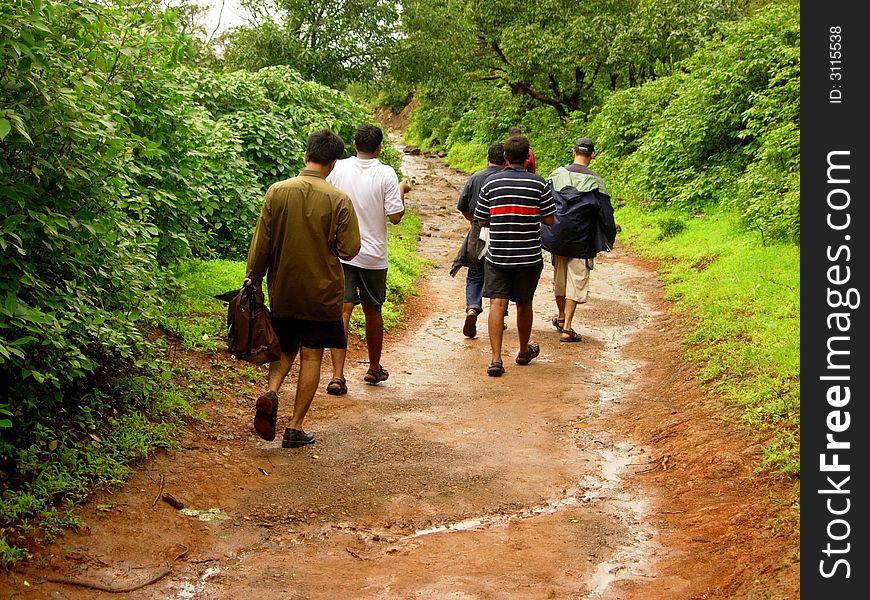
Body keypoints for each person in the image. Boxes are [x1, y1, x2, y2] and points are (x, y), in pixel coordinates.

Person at [246, 129, 361, 448]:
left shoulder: (277, 191)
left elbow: (261, 244)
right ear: (333, 163)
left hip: (283, 287)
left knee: (284, 348)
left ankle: (271, 392)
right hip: (322, 294)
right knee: (312, 356)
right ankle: (295, 427)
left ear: (306, 154)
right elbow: (350, 249)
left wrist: (253, 278)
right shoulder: (338, 199)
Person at [326, 123, 410, 395]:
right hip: (372, 255)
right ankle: (374, 367)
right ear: (379, 147)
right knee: (373, 310)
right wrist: (401, 191)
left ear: (354, 145)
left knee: (343, 309)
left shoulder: (337, 168)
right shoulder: (385, 173)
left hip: (340, 251)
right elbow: (395, 217)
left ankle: (337, 375)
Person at [474, 134, 556, 376]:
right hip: (529, 256)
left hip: (498, 254)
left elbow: (481, 219)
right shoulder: (539, 184)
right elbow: (549, 219)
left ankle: (496, 359)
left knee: (497, 304)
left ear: (506, 157)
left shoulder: (491, 184)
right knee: (524, 303)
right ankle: (522, 350)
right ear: (528, 156)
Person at [541, 137, 616, 342]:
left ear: (573, 152)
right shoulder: (596, 183)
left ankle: (561, 315)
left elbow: (544, 203)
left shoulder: (555, 175)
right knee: (576, 280)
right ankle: (567, 327)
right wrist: (608, 239)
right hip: (582, 240)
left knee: (560, 279)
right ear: (592, 155)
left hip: (557, 236)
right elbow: (606, 215)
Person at [449, 143, 505, 338]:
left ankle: (472, 307)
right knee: (499, 276)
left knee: (475, 273)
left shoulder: (475, 178)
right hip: (502, 234)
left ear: (487, 158)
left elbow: (463, 206)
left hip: (477, 231)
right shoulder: (505, 180)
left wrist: (473, 222)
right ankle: (499, 316)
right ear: (505, 160)